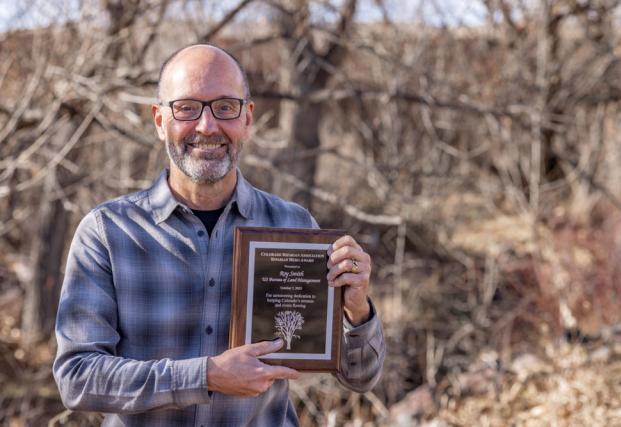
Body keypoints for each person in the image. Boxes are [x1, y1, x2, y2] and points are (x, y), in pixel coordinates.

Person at [53, 44, 385, 427]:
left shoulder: (294, 230)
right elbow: (76, 378)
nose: (207, 127)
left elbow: (361, 377)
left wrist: (357, 310)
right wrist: (206, 375)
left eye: (225, 106)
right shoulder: (107, 233)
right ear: (160, 121)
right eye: (187, 108)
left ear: (247, 118)